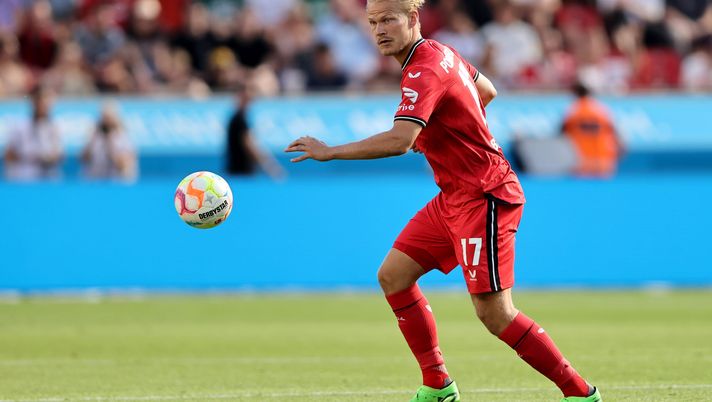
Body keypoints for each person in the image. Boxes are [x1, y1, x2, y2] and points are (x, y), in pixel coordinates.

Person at [285, 1, 602, 401]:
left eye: (388, 19)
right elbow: (487, 89)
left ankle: (581, 393)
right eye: (372, 22)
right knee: (393, 275)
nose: (379, 30)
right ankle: (438, 384)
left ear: (413, 19)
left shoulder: (423, 67)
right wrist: (440, 126)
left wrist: (331, 151)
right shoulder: (440, 52)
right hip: (454, 195)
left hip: (483, 193)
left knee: (495, 313)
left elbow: (401, 141)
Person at [561, 81, 623, 177]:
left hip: (582, 162)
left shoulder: (573, 110)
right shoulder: (601, 109)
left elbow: (562, 134)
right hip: (603, 160)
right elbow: (614, 132)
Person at [4, 85, 63, 181]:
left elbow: (59, 155)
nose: (44, 106)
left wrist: (49, 159)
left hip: (48, 177)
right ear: (34, 102)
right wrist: (29, 157)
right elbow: (9, 155)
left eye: (47, 103)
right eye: (40, 102)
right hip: (24, 177)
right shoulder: (20, 125)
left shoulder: (54, 127)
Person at [226, 84, 285, 179]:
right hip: (241, 171)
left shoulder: (237, 118)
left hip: (237, 170)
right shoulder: (239, 119)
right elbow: (250, 145)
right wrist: (270, 166)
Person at [81, 103, 137, 181]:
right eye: (104, 117)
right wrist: (91, 140)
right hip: (95, 181)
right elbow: (83, 159)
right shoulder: (95, 136)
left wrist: (110, 144)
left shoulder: (123, 137)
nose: (106, 121)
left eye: (109, 118)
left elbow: (124, 166)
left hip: (115, 183)